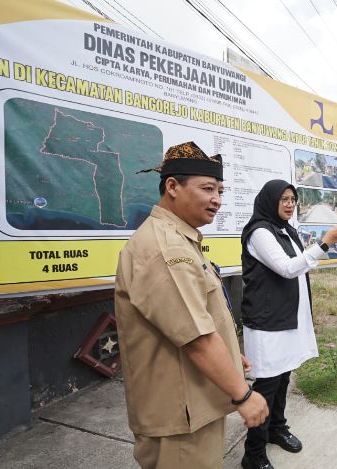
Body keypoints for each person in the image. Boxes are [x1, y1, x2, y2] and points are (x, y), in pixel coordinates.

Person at [114, 141, 269, 469]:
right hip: (180, 418)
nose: (217, 199)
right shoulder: (166, 249)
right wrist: (243, 395)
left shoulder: (179, 239)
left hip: (194, 405)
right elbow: (197, 339)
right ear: (172, 186)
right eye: (207, 188)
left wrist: (228, 352)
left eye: (220, 190)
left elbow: (194, 318)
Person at [240, 179, 337, 469]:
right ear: (269, 200)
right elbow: (288, 269)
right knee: (267, 385)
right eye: (284, 199)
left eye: (293, 199)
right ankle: (254, 453)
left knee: (284, 377)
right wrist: (324, 244)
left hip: (287, 317)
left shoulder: (285, 229)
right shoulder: (260, 232)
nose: (289, 204)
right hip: (267, 323)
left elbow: (299, 264)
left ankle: (276, 428)